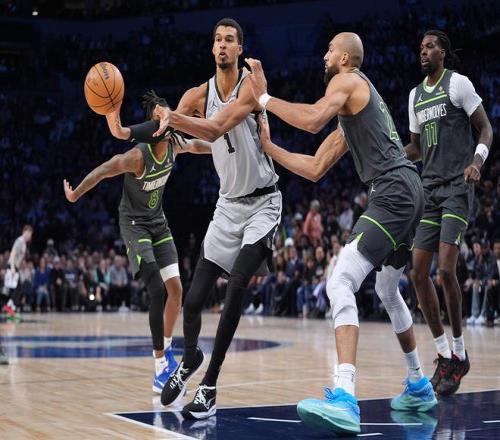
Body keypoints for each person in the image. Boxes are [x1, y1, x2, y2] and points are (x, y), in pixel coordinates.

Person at [246, 32, 436, 435]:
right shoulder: (353, 111)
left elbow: (313, 119)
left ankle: (346, 397)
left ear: (346, 58)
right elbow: (316, 167)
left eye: (330, 50)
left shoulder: (347, 81)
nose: (324, 55)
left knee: (339, 281)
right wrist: (269, 148)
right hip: (408, 190)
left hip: (393, 190)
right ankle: (419, 385)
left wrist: (263, 98)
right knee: (387, 290)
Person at [124, 18, 281, 419]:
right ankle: (191, 356)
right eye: (217, 40)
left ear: (240, 48)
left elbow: (213, 129)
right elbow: (167, 133)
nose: (223, 45)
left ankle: (209, 385)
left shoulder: (251, 88)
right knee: (192, 303)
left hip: (263, 203)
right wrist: (128, 129)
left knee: (237, 286)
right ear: (212, 48)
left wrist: (173, 119)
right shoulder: (197, 94)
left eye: (230, 40)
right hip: (227, 206)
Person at [63, 90, 211, 394]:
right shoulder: (137, 156)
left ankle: (166, 350)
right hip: (134, 225)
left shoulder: (174, 142)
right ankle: (159, 368)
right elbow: (104, 170)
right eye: (161, 116)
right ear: (152, 126)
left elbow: (196, 145)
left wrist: (222, 149)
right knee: (156, 290)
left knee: (176, 290)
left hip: (158, 222)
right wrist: (76, 193)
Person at [405, 30, 493, 396]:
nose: (423, 51)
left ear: (443, 52)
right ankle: (444, 354)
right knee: (417, 272)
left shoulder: (458, 84)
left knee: (445, 269)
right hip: (429, 190)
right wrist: (390, 159)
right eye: (421, 47)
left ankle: (459, 351)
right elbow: (415, 148)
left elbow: (485, 128)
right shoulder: (414, 95)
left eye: (430, 46)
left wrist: (477, 162)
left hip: (458, 185)